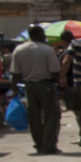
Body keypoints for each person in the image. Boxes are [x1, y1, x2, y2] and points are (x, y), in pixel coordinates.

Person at [11, 25, 62, 155]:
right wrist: (59, 87)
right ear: (39, 34)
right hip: (45, 85)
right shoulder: (47, 50)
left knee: (34, 117)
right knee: (52, 115)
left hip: (28, 86)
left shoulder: (19, 49)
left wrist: (14, 89)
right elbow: (55, 72)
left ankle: (39, 144)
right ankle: (48, 145)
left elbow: (15, 73)